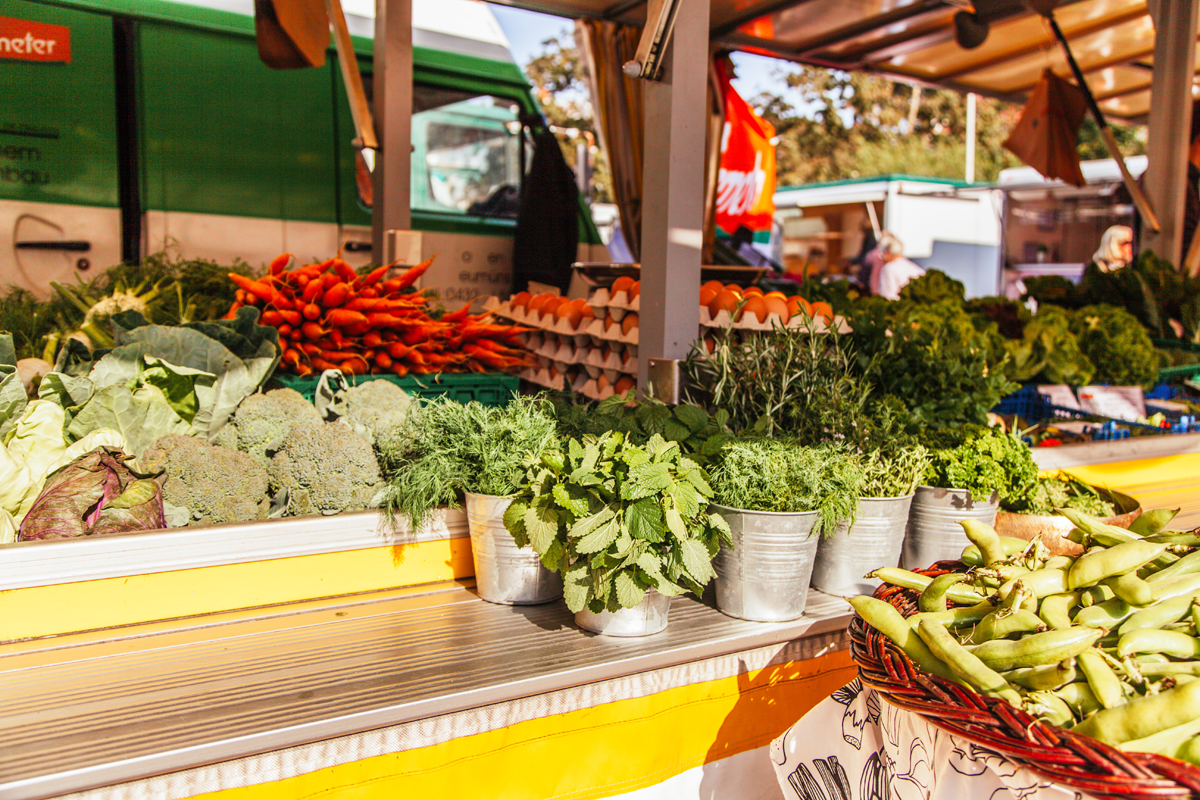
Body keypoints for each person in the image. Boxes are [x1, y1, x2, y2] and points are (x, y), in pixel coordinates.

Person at [870, 232, 926, 300]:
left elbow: (887, 297)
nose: (882, 258)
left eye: (882, 254)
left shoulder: (888, 269)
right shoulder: (916, 268)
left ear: (887, 253)